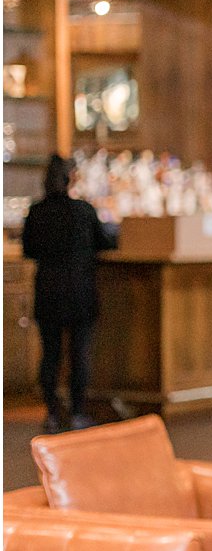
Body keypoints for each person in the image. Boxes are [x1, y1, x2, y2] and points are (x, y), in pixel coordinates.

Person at [21, 153, 117, 433]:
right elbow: (106, 242)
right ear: (70, 178)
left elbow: (29, 249)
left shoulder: (36, 212)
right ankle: (76, 412)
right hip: (79, 292)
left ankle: (52, 411)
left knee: (50, 354)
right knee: (79, 354)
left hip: (48, 291)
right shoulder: (83, 211)